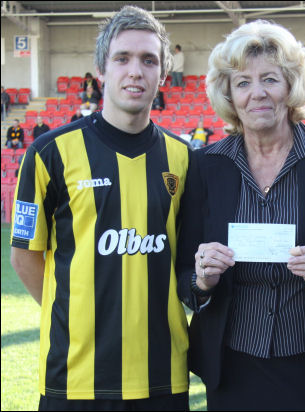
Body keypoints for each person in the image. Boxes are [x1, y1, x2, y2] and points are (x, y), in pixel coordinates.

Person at [176, 20, 305, 411]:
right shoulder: (204, 165)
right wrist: (201, 279)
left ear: (291, 86)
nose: (258, 94)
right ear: (229, 95)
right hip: (230, 361)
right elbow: (183, 271)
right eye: (243, 83)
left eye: (270, 78)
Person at [10, 6, 191, 411]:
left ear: (162, 75)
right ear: (100, 71)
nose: (135, 71)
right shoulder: (48, 153)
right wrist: (78, 315)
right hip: (74, 378)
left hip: (162, 376)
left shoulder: (184, 158)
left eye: (149, 60)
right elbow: (24, 256)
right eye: (122, 58)